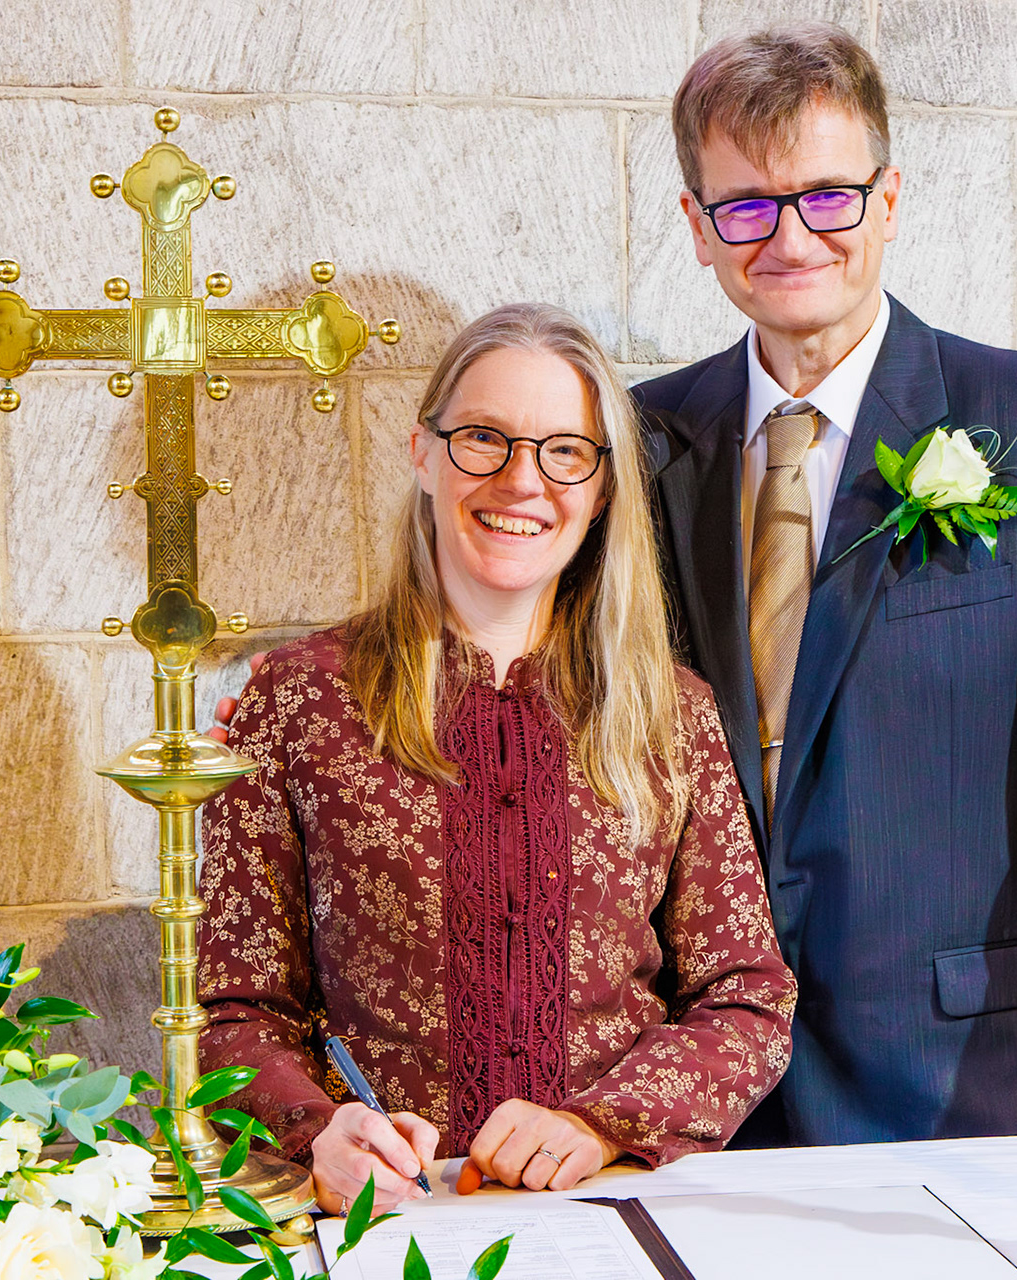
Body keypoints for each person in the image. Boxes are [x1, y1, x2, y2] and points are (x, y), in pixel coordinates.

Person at [632, 25, 1017, 1177]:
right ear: (698, 227)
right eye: (746, 207)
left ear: (890, 199)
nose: (791, 237)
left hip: (961, 1079)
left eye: (828, 197)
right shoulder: (642, 439)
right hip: (694, 1089)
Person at [196, 303, 795, 1215]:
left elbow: (746, 998)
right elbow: (232, 1008)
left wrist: (605, 1123)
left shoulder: (672, 714)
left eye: (565, 451)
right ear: (423, 452)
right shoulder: (299, 698)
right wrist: (317, 1131)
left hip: (606, 1210)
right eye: (484, 438)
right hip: (384, 1219)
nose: (523, 481)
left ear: (602, 489)